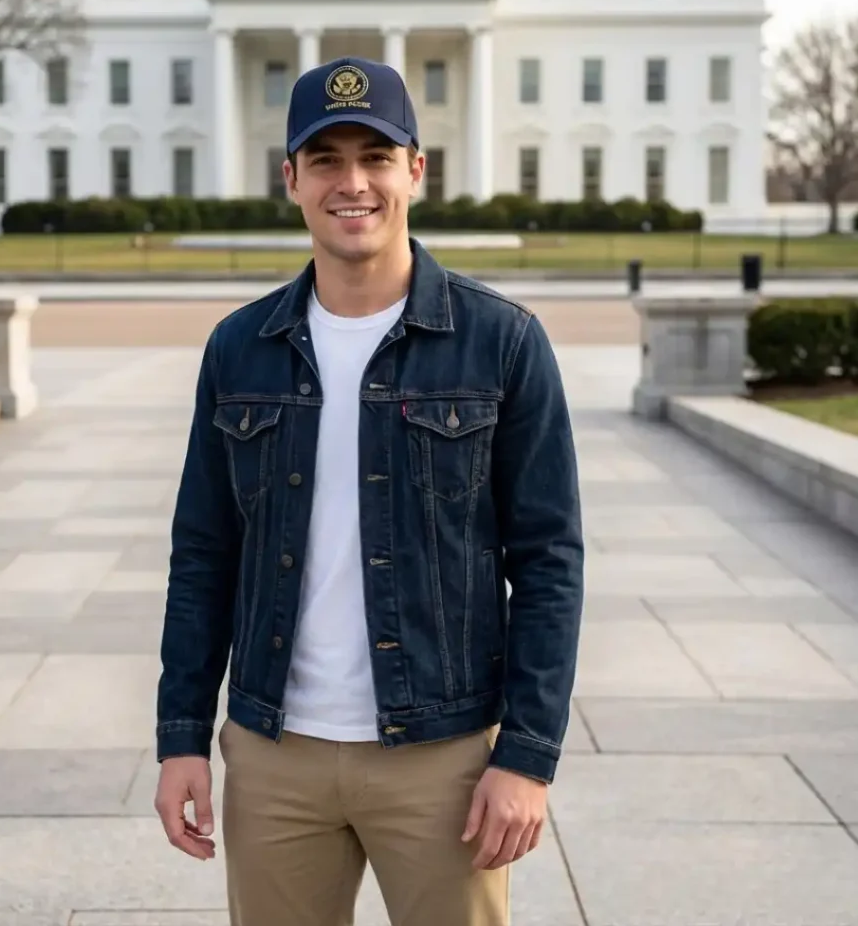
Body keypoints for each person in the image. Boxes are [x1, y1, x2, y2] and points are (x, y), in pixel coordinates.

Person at [154, 55, 584, 926]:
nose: (353, 182)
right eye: (326, 159)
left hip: (445, 753)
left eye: (376, 157)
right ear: (293, 180)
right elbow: (204, 554)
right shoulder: (240, 348)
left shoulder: (501, 342)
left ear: (416, 171)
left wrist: (528, 756)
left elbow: (548, 562)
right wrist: (181, 739)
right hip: (276, 752)